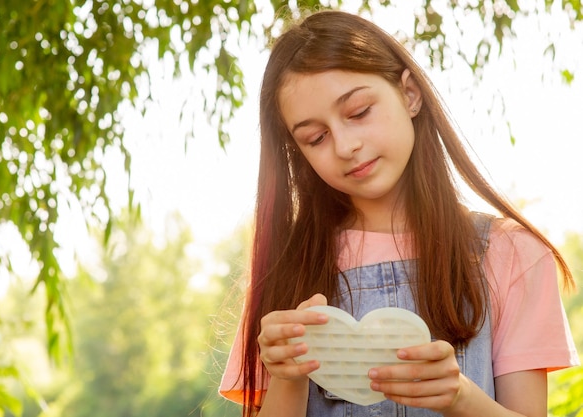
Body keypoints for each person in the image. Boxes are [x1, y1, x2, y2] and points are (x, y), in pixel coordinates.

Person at [219, 9, 579, 417]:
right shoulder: (285, 271)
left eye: (358, 112)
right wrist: (288, 376)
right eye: (316, 138)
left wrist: (461, 398)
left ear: (410, 94)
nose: (344, 145)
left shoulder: (513, 253)